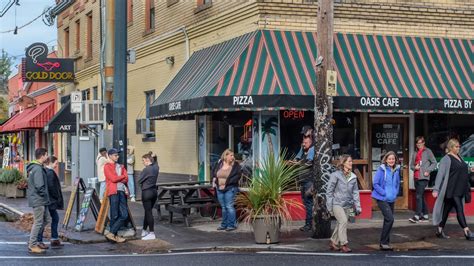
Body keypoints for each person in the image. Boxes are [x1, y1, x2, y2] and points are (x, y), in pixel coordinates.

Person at [432, 138, 474, 241]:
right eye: (456, 146)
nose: (459, 148)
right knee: (460, 209)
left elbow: (460, 169)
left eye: (459, 146)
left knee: (446, 211)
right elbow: (440, 175)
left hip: (460, 188)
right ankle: (467, 231)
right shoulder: (446, 159)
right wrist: (436, 189)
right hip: (451, 189)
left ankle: (439, 230)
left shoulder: (459, 157)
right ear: (451, 147)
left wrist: (469, 169)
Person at [326, 154, 361, 253]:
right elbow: (329, 192)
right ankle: (343, 244)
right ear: (343, 163)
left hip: (348, 205)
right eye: (349, 161)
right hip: (336, 203)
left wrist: (358, 207)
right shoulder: (335, 175)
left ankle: (333, 242)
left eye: (351, 161)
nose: (351, 163)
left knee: (340, 223)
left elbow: (355, 193)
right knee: (343, 221)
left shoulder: (353, 177)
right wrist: (329, 207)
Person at [371, 151, 401, 251]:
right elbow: (375, 184)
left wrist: (396, 192)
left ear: (395, 160)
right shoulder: (381, 170)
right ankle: (383, 242)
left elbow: (397, 183)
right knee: (390, 219)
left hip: (391, 199)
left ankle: (385, 242)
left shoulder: (396, 170)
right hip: (382, 198)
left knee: (388, 220)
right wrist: (384, 193)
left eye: (393, 159)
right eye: (389, 159)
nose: (391, 160)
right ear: (386, 160)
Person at [26, 148, 50, 254]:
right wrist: (45, 196)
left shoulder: (35, 167)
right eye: (46, 155)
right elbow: (40, 186)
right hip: (39, 199)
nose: (47, 157)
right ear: (42, 156)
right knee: (38, 222)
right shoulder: (38, 169)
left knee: (45, 220)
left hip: (38, 199)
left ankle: (36, 241)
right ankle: (32, 244)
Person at [37, 156, 64, 249]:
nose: (57, 165)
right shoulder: (50, 173)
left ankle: (53, 238)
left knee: (51, 219)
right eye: (56, 163)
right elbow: (52, 187)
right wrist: (57, 196)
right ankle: (49, 239)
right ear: (51, 163)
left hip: (48, 200)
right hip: (51, 201)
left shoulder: (46, 171)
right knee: (49, 220)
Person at [409, 136, 437, 223]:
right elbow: (411, 165)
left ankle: (417, 216)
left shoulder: (428, 151)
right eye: (417, 144)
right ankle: (425, 215)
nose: (419, 145)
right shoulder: (414, 153)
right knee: (420, 196)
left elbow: (434, 163)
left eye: (420, 143)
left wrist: (428, 171)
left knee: (418, 196)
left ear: (424, 143)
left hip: (424, 177)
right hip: (416, 177)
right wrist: (415, 167)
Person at [212, 149, 242, 231]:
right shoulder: (219, 163)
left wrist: (226, 185)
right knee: (224, 207)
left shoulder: (235, 165)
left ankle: (231, 225)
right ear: (225, 156)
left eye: (233, 155)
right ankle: (224, 224)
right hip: (219, 188)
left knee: (229, 206)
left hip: (230, 188)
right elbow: (214, 172)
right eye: (231, 155)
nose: (233, 157)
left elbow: (237, 176)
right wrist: (216, 181)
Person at [104, 148, 128, 243]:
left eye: (117, 155)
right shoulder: (107, 166)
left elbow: (126, 179)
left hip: (121, 191)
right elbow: (113, 179)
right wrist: (121, 177)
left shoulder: (120, 166)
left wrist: (120, 178)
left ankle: (111, 233)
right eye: (115, 155)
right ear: (110, 156)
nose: (117, 157)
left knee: (124, 215)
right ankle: (114, 236)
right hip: (113, 191)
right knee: (114, 215)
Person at [295, 136, 315, 232]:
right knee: (306, 202)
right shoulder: (303, 152)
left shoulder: (312, 151)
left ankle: (309, 224)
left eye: (306, 143)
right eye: (303, 142)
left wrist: (299, 163)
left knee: (308, 203)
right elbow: (298, 160)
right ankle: (309, 223)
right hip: (303, 181)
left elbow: (308, 163)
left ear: (310, 143)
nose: (304, 144)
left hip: (309, 181)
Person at [138, 152, 159, 240]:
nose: (143, 162)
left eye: (143, 160)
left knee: (148, 212)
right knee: (148, 211)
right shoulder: (156, 167)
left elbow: (139, 180)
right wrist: (155, 157)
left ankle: (152, 233)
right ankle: (144, 230)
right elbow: (155, 162)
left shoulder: (146, 170)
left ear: (147, 160)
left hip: (146, 192)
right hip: (154, 191)